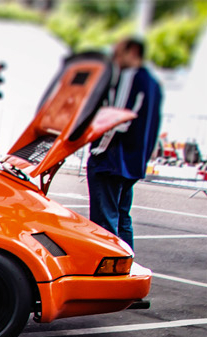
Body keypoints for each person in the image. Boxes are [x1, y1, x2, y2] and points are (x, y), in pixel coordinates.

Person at [88, 37, 164, 248]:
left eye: (119, 53)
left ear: (133, 52)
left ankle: (108, 272)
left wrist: (98, 150)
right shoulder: (152, 83)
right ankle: (126, 264)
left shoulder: (129, 78)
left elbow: (115, 119)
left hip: (111, 160)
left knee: (105, 223)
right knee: (122, 218)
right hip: (132, 161)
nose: (115, 58)